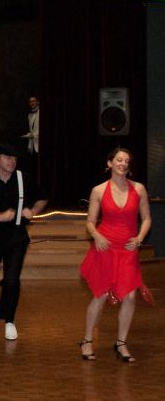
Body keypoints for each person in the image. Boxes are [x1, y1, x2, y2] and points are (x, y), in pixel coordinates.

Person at [79, 148, 151, 363]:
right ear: (110, 163)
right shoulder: (99, 190)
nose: (123, 163)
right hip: (105, 247)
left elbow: (147, 219)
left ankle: (121, 343)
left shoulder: (139, 188)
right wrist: (96, 236)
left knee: (130, 296)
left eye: (126, 161)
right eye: (119, 160)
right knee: (100, 295)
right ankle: (87, 340)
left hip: (128, 248)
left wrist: (139, 238)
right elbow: (90, 222)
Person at [0, 143, 47, 341]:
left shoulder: (24, 179)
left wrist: (33, 211)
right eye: (8, 158)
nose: (12, 162)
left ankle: (9, 321)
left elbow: (42, 199)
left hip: (17, 237)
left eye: (15, 159)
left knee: (12, 281)